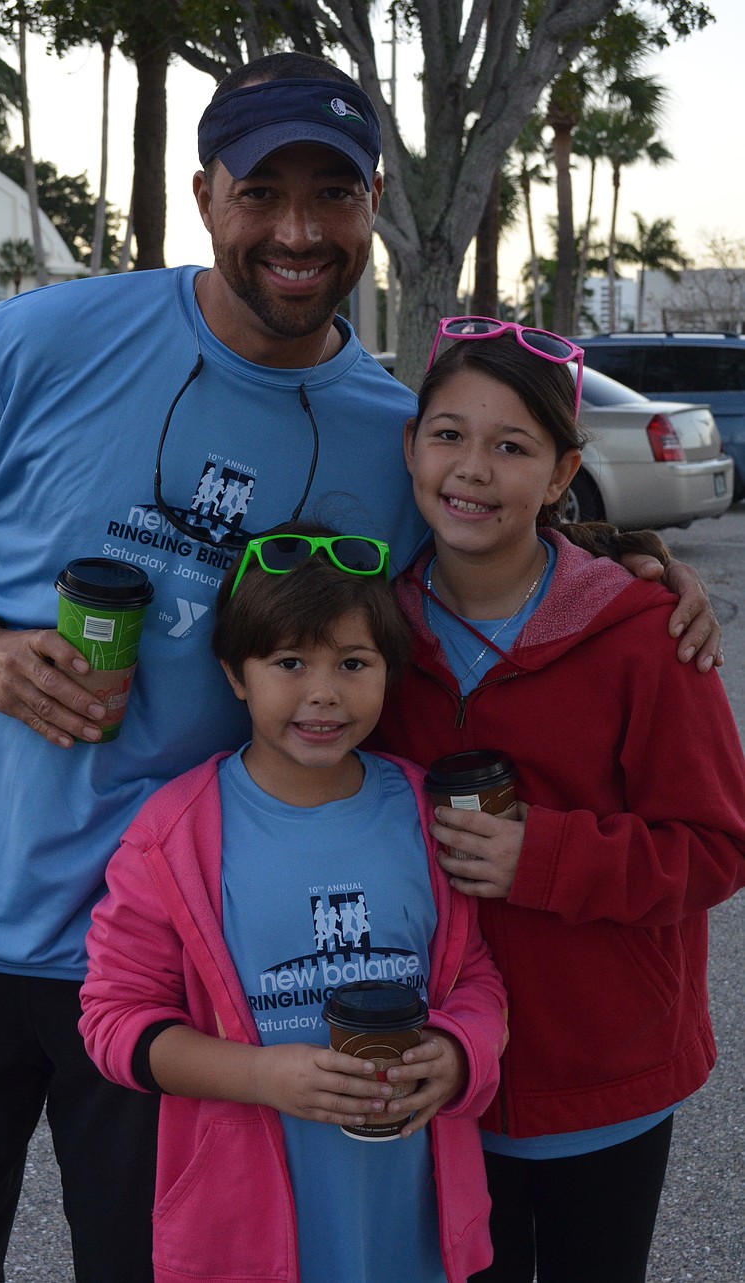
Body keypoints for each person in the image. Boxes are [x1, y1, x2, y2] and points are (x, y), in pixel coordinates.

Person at [0, 50, 720, 1282]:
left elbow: (483, 542)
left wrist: (634, 562)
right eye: (260, 191)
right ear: (204, 195)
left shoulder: (387, 434)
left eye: (331, 194)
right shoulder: (50, 337)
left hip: (193, 955)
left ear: (372, 202)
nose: (296, 230)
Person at [370, 318, 745, 1283]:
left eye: (513, 446)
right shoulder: (371, 640)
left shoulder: (646, 634)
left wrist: (542, 855)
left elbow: (716, 846)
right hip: (443, 1074)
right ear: (410, 446)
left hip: (603, 1078)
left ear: (561, 472)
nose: (472, 469)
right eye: (448, 434)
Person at [79, 523, 509, 1283]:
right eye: (289, 662)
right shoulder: (174, 835)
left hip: (409, 1221)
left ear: (389, 670)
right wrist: (260, 1077)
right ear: (234, 674)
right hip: (248, 1234)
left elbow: (473, 976)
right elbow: (114, 1021)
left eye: (353, 663)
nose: (323, 691)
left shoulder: (424, 811)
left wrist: (459, 1054)